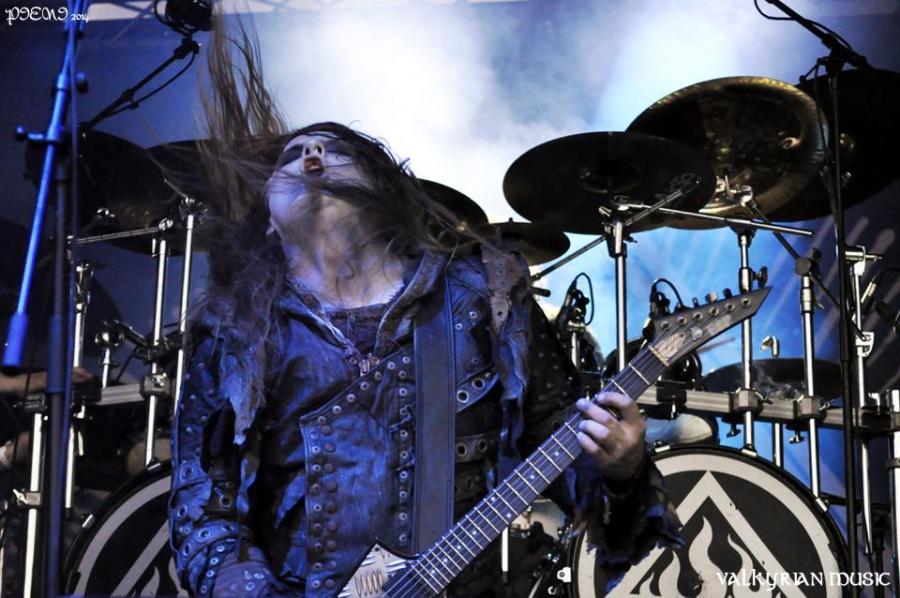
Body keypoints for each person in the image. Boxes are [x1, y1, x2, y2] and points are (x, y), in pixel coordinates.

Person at [168, 22, 681, 598]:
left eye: (338, 151)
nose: (312, 155)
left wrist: (622, 470)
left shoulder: (484, 299)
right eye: (293, 155)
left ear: (385, 193)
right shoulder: (236, 334)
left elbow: (567, 463)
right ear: (268, 217)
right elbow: (203, 513)